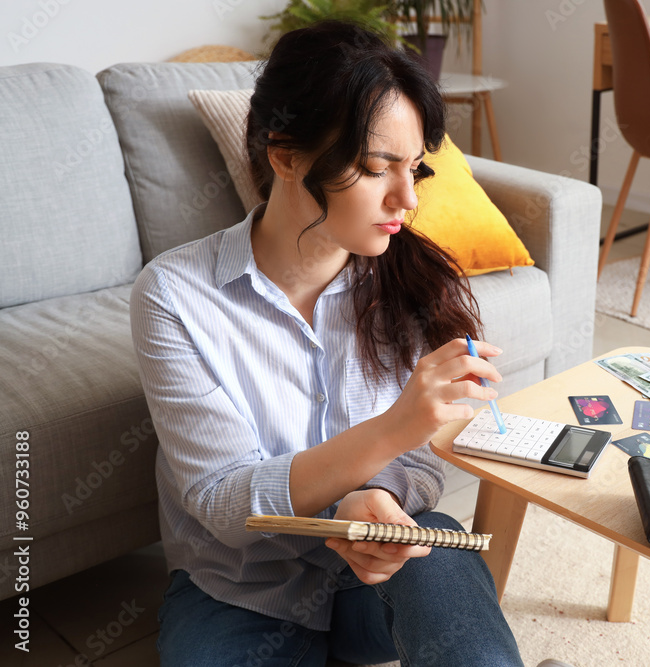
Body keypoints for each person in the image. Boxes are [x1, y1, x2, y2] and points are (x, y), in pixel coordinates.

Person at [131, 20, 525, 666]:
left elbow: (423, 464)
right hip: (239, 592)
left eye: (415, 170)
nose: (406, 199)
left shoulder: (407, 279)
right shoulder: (173, 297)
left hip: (375, 570)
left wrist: (378, 499)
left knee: (444, 565)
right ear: (285, 155)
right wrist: (394, 428)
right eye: (377, 168)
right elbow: (225, 502)